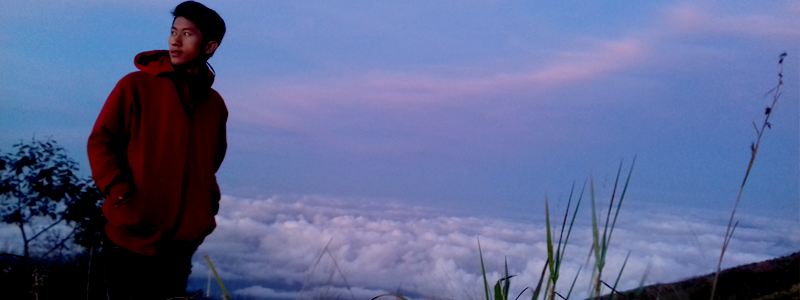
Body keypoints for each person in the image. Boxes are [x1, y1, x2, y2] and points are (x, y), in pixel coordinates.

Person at [87, 1, 227, 298]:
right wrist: (120, 191)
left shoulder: (214, 105)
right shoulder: (135, 86)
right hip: (129, 236)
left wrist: (206, 204)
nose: (175, 41)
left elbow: (210, 162)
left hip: (181, 245)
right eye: (173, 31)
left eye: (187, 34)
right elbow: (101, 141)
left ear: (210, 45)